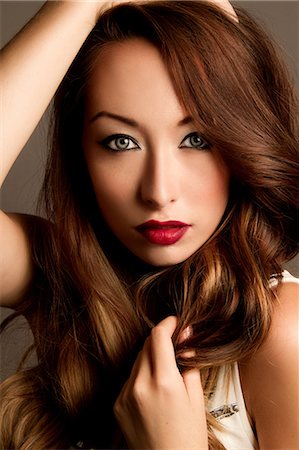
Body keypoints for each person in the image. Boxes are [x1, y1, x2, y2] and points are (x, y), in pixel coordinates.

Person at [0, 1, 298, 449]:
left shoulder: (282, 331)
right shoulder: (72, 284)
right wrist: (83, 4)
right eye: (121, 142)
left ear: (242, 145)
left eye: (196, 139)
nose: (159, 191)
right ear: (82, 157)